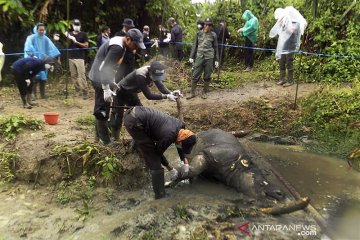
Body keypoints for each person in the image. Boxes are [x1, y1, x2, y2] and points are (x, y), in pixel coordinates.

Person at [123, 106, 196, 199]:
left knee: (147, 143)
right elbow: (156, 153)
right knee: (154, 162)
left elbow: (179, 145)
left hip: (136, 113)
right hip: (134, 121)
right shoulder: (169, 136)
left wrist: (185, 162)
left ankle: (138, 142)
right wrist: (170, 168)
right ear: (181, 141)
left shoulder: (181, 126)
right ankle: (160, 195)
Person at [88, 28, 146, 145]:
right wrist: (105, 88)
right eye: (135, 44)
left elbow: (109, 66)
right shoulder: (118, 48)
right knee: (102, 109)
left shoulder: (121, 43)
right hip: (99, 78)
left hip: (102, 77)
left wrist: (111, 81)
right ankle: (105, 141)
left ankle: (99, 137)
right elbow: (104, 68)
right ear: (128, 39)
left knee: (104, 106)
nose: (136, 48)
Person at [110, 61, 180, 140]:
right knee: (118, 115)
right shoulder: (141, 75)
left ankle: (141, 136)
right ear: (150, 71)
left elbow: (161, 87)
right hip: (120, 92)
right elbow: (149, 96)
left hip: (131, 92)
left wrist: (171, 93)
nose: (156, 79)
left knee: (140, 113)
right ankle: (114, 138)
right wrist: (166, 96)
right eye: (155, 76)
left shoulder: (154, 71)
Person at [269, 7, 307, 87]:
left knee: (289, 62)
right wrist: (281, 23)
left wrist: (288, 24)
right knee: (281, 61)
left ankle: (290, 80)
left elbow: (292, 31)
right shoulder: (285, 21)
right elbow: (280, 32)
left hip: (291, 45)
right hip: (283, 45)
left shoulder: (297, 23)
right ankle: (282, 79)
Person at [24, 23, 60, 99]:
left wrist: (55, 58)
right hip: (34, 60)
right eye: (40, 30)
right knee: (34, 77)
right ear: (36, 30)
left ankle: (43, 94)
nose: (41, 31)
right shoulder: (31, 38)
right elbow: (28, 48)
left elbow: (51, 48)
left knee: (43, 77)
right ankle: (33, 95)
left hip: (43, 60)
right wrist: (32, 55)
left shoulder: (46, 38)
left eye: (43, 30)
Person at [187, 18, 219, 100]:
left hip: (209, 57)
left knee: (207, 75)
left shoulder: (213, 35)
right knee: (195, 75)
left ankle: (205, 92)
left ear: (211, 26)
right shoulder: (199, 34)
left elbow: (216, 47)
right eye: (206, 24)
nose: (207, 26)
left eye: (209, 25)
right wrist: (191, 56)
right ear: (204, 25)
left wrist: (217, 60)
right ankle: (192, 93)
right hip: (199, 57)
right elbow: (195, 45)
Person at [66, 19, 89, 99]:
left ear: (80, 25)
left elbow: (86, 45)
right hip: (71, 57)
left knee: (81, 75)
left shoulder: (83, 34)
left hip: (80, 57)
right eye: (75, 24)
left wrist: (76, 42)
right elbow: (68, 45)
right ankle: (77, 90)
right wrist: (69, 38)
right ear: (72, 25)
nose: (76, 26)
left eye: (78, 24)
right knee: (73, 75)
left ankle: (85, 91)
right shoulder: (70, 34)